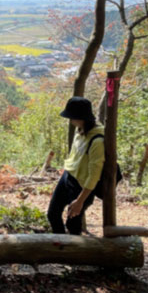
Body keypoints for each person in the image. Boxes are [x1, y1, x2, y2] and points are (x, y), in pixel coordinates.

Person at [47, 97, 105, 235]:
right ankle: (60, 247)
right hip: (67, 176)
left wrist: (80, 201)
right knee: (52, 214)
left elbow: (94, 175)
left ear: (81, 117)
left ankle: (73, 253)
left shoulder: (98, 140)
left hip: (82, 186)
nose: (70, 121)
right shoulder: (80, 130)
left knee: (72, 223)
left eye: (72, 117)